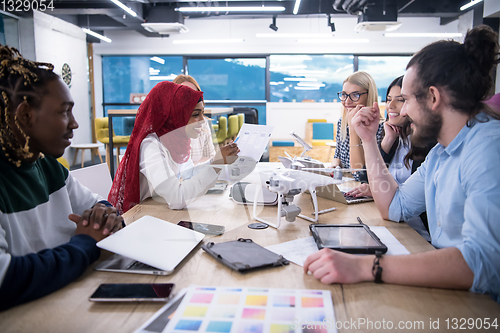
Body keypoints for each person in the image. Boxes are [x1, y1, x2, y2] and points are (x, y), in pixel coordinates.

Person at [304, 25, 500, 303]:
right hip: (455, 295)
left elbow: (483, 265)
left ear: (433, 97)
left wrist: (365, 266)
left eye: (406, 99)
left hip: (483, 309)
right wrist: (369, 141)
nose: (402, 110)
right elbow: (394, 207)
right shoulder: (442, 152)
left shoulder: (488, 147)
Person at [0, 45, 123, 311]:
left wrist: (105, 214)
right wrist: (85, 244)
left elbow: (97, 204)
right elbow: (6, 279)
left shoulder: (48, 167)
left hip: (64, 299)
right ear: (25, 115)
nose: (75, 123)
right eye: (64, 111)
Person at [108, 81, 239, 213]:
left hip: (157, 210)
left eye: (202, 113)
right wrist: (215, 166)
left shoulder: (176, 141)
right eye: (195, 114)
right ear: (174, 115)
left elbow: (188, 174)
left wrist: (216, 161)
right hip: (140, 216)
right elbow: (177, 198)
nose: (202, 120)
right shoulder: (150, 146)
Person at [347, 76, 435, 240]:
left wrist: (379, 192)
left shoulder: (431, 146)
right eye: (388, 100)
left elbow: (415, 198)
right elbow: (365, 177)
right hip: (395, 221)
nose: (391, 106)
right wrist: (387, 141)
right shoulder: (392, 135)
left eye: (401, 100)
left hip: (415, 230)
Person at [332, 71, 384, 181]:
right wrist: (336, 162)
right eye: (344, 95)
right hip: (347, 186)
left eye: (355, 95)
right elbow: (338, 154)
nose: (347, 101)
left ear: (369, 96)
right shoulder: (342, 122)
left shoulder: (381, 129)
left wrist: (353, 129)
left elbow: (359, 175)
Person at [172, 75, 217, 164]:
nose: (192, 99)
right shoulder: (167, 133)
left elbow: (209, 156)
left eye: (195, 95)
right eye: (185, 95)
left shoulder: (202, 122)